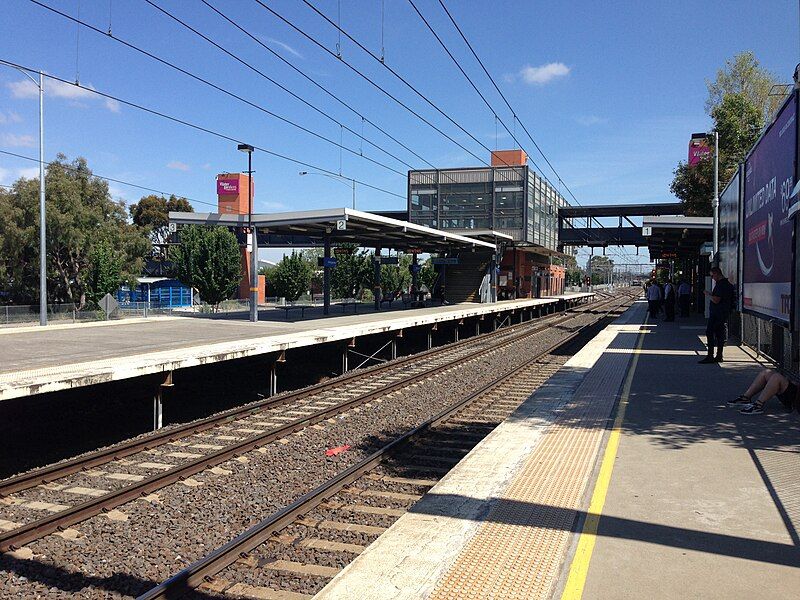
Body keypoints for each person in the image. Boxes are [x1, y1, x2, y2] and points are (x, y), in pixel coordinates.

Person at [698, 266, 735, 363]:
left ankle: (710, 355)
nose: (712, 278)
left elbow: (716, 300)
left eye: (712, 275)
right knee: (720, 335)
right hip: (724, 313)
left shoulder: (720, 285)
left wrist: (708, 294)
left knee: (709, 332)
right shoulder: (728, 285)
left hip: (717, 313)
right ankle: (719, 355)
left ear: (716, 274)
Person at [729, 368, 797, 414]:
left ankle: (758, 405)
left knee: (777, 377)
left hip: (796, 399)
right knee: (766, 372)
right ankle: (745, 398)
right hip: (795, 392)